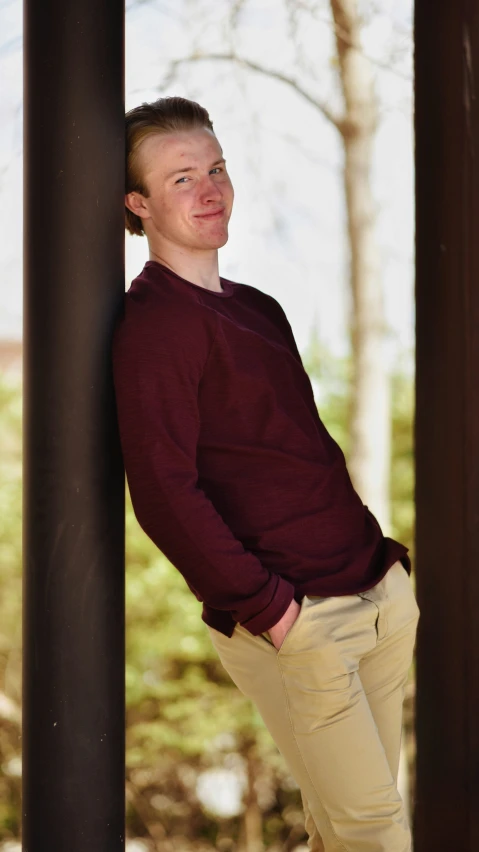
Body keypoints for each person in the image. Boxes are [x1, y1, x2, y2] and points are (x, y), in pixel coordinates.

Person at [112, 95, 420, 852]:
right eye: (181, 178)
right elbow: (162, 492)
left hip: (375, 597)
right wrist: (274, 612)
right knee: (373, 833)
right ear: (138, 204)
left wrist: (392, 580)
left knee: (341, 830)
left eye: (215, 168)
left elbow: (295, 453)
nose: (209, 189)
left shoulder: (257, 308)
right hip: (300, 619)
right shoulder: (155, 326)